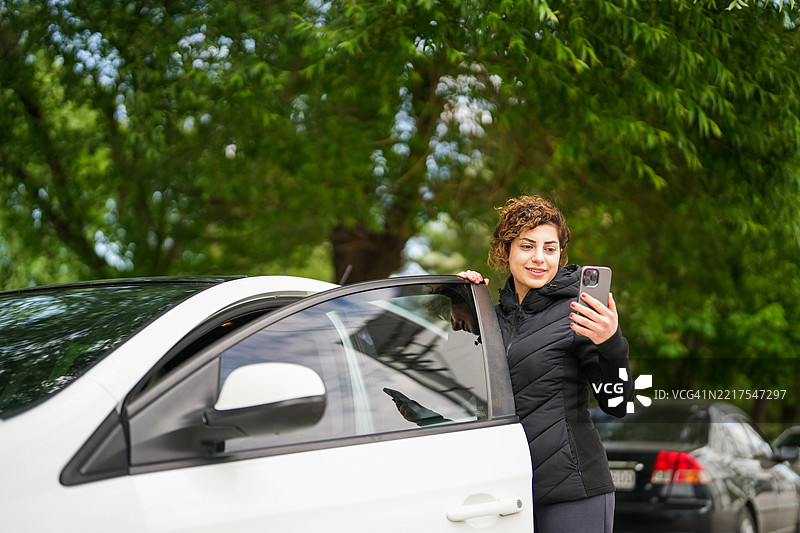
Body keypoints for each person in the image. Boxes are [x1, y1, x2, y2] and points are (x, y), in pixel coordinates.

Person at [459, 195, 633, 533]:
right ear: (504, 251)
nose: (539, 258)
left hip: (574, 493)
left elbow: (618, 404)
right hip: (507, 493)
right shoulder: (492, 320)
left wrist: (611, 343)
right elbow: (460, 392)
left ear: (560, 255)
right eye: (527, 246)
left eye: (549, 249)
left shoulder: (580, 314)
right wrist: (459, 304)